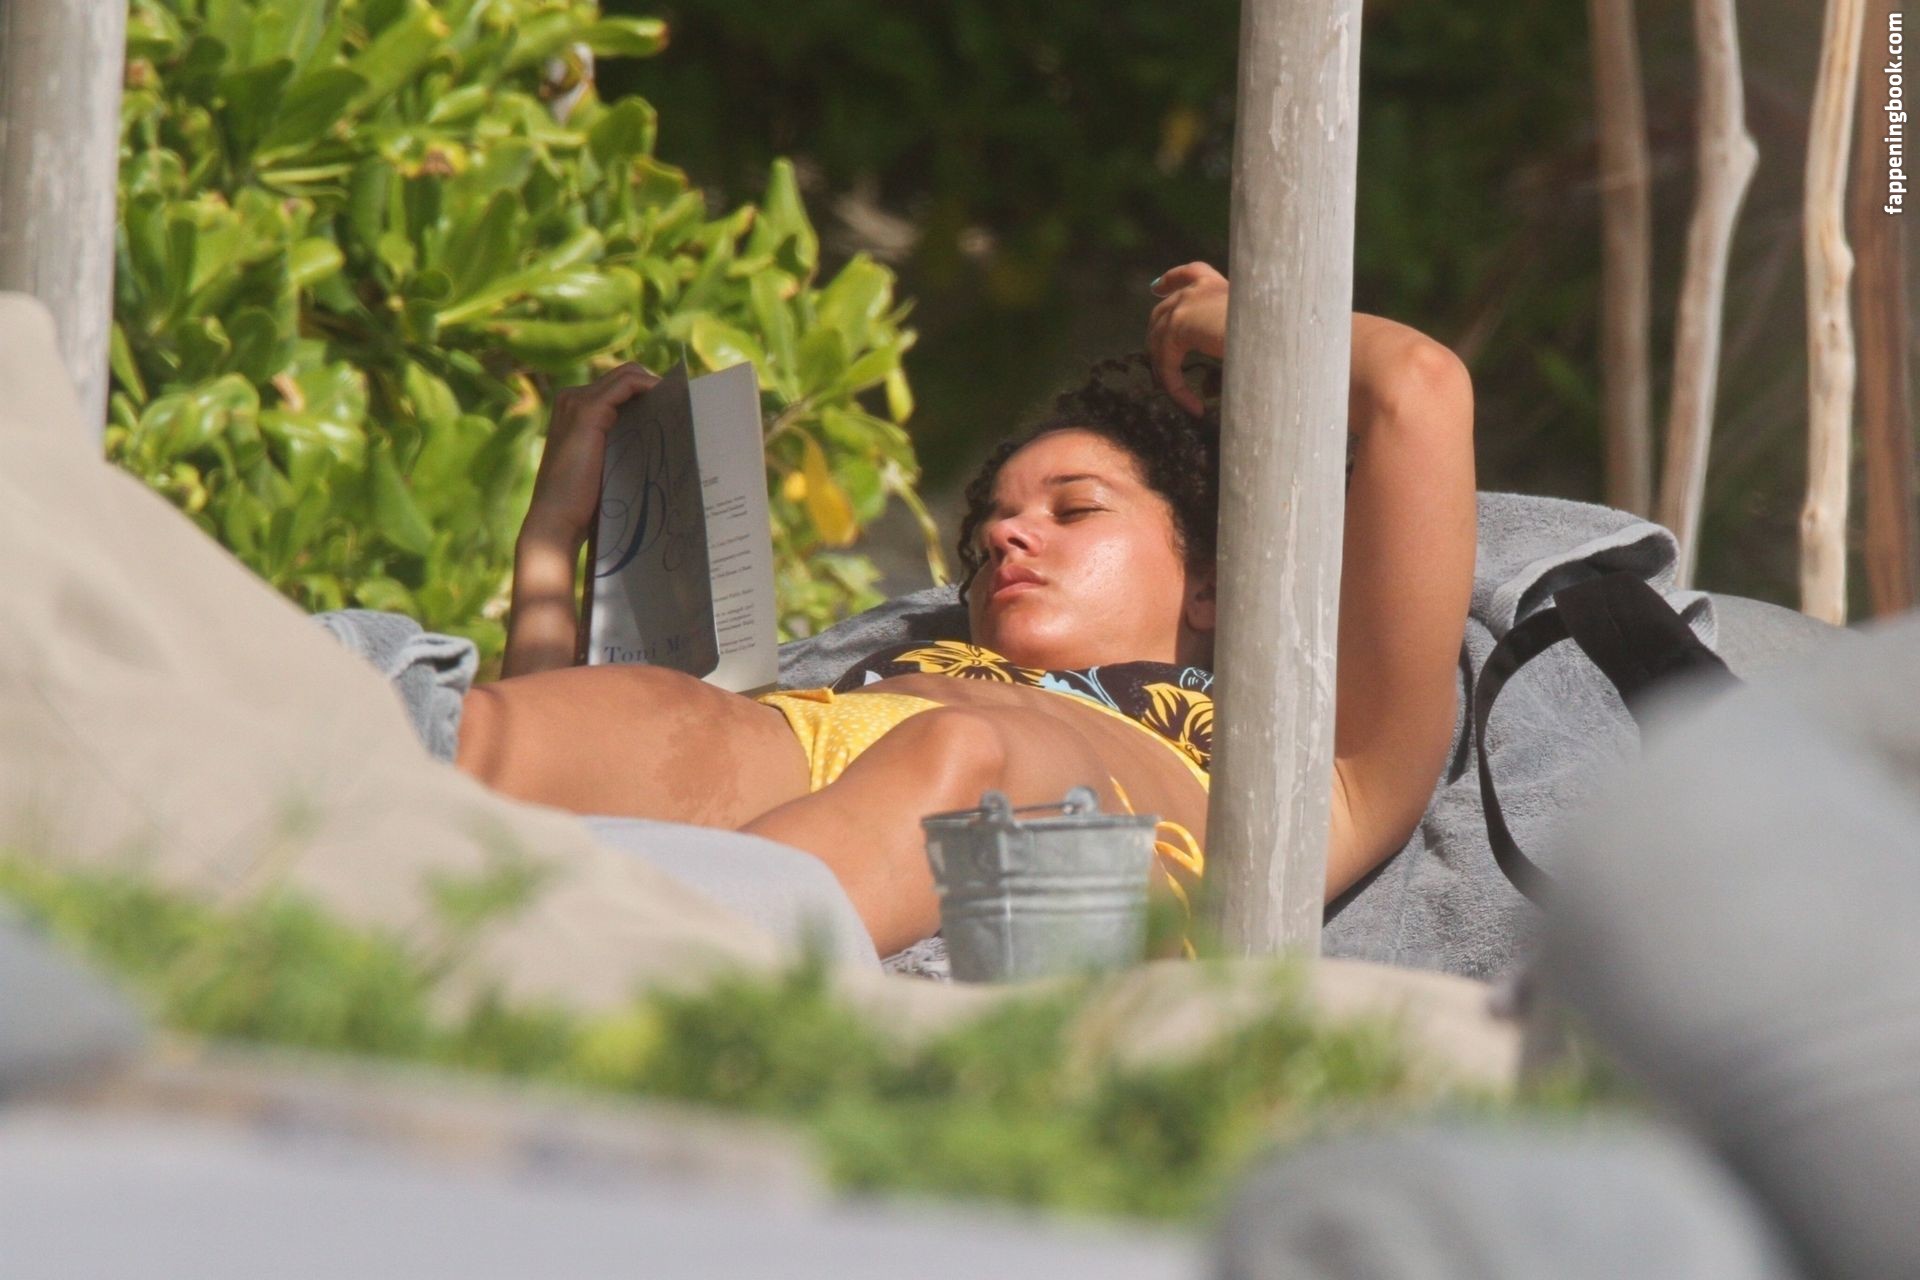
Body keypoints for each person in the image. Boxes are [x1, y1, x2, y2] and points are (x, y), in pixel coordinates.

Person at [454, 262, 1476, 956]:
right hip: (811, 747)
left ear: (1212, 582)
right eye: (987, 534)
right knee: (623, 720)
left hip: (1071, 851)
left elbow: (1421, 390)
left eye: (1075, 509)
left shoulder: (1303, 782)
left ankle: (643, 978)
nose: (1008, 536)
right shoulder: (891, 682)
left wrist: (1214, 318)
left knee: (969, 757)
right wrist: (551, 540)